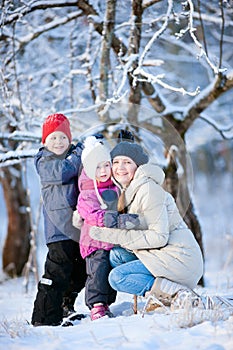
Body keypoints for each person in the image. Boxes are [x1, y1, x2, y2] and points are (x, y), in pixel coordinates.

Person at [89, 140, 204, 309]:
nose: (120, 167)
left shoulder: (148, 189)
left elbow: (159, 237)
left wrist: (111, 235)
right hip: (163, 254)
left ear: (138, 166)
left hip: (179, 258)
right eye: (116, 162)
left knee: (117, 277)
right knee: (116, 256)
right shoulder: (129, 191)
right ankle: (159, 295)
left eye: (127, 162)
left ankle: (176, 294)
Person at [73, 136, 139, 320]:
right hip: (94, 243)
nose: (103, 171)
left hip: (111, 241)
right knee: (98, 272)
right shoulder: (87, 193)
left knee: (109, 272)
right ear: (88, 169)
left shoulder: (115, 186)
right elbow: (92, 216)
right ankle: (96, 305)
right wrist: (117, 219)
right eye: (97, 167)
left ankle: (106, 303)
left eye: (106, 165)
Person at [31, 113, 87, 327]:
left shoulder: (73, 157)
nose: (58, 142)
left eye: (63, 137)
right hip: (58, 229)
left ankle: (65, 306)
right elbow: (63, 172)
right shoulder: (44, 161)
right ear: (44, 141)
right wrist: (80, 153)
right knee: (57, 272)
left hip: (75, 228)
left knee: (80, 270)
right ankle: (43, 318)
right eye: (53, 138)